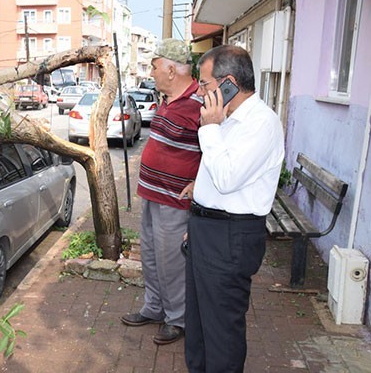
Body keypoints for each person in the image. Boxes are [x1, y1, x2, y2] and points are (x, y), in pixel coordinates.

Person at [184, 45, 284, 372]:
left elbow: (227, 179)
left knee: (221, 332)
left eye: (204, 84)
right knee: (198, 326)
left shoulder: (261, 124)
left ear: (228, 83)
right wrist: (197, 210)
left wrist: (209, 128)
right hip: (206, 229)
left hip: (230, 235)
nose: (199, 92)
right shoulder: (226, 118)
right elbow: (214, 175)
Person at [120, 38, 202, 345]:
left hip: (175, 199)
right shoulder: (167, 98)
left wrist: (200, 183)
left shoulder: (200, 102)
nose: (151, 73)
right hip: (153, 193)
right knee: (152, 257)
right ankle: (154, 308)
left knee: (172, 263)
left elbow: (213, 152)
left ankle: (177, 319)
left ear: (170, 69)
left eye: (154, 67)